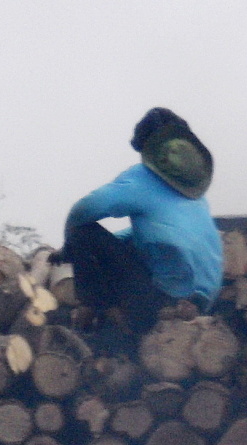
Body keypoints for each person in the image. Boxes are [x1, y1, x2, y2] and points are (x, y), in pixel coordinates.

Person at [51, 108, 223, 333]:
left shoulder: (144, 176)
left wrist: (70, 248)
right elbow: (156, 236)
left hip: (159, 301)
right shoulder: (194, 193)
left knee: (81, 232)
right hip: (201, 301)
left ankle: (101, 312)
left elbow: (83, 210)